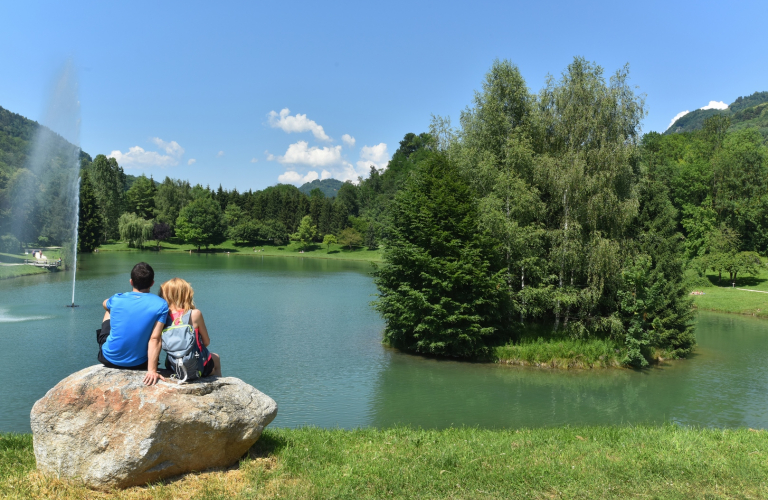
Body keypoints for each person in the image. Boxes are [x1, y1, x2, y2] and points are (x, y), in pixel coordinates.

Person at [97, 262, 169, 386]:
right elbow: (155, 339)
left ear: (131, 282)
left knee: (109, 309)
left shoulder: (117, 298)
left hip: (109, 358)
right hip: (140, 363)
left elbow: (104, 303)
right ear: (152, 283)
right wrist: (151, 370)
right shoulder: (161, 304)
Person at [158, 277, 222, 377]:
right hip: (196, 367)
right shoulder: (195, 314)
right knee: (216, 358)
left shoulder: (162, 316)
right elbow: (206, 342)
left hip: (173, 366)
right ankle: (219, 387)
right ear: (187, 294)